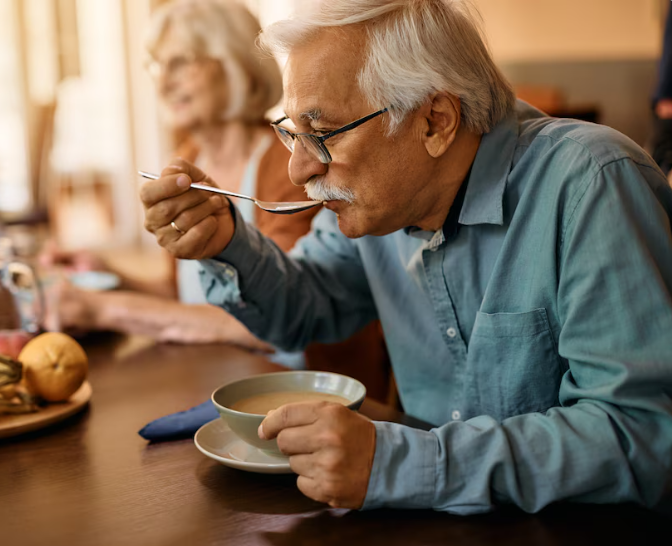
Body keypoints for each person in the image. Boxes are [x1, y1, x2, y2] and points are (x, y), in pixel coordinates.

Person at [140, 0, 672, 514]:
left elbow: (640, 435)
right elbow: (304, 307)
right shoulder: (380, 203)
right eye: (293, 133)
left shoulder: (593, 183)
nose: (301, 169)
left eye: (322, 134)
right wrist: (225, 241)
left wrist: (403, 463)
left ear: (435, 121)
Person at [41, 0, 390, 400]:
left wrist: (106, 309)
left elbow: (257, 318)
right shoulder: (189, 159)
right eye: (157, 66)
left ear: (234, 63)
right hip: (218, 383)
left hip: (307, 392)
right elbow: (192, 295)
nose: (164, 82)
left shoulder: (293, 163)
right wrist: (112, 276)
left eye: (181, 62)